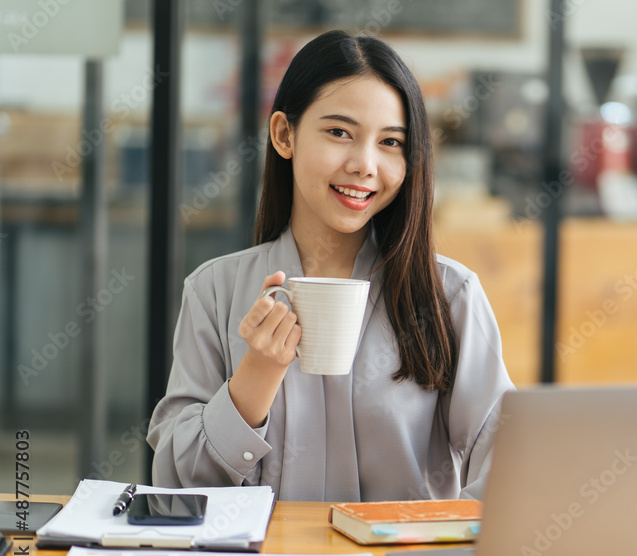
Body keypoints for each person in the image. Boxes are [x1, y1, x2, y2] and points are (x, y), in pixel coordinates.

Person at [147, 30, 514, 502]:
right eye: (340, 132)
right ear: (285, 135)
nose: (365, 164)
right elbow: (175, 486)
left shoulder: (449, 293)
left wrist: (440, 541)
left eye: (390, 142)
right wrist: (256, 374)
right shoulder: (213, 290)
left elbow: (506, 455)